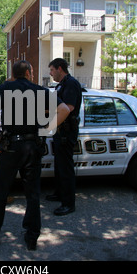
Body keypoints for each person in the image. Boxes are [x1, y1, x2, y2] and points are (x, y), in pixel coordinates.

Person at [0, 60, 70, 251]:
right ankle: (31, 237)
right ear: (29, 72)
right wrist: (47, 130)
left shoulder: (4, 89)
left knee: (0, 192)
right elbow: (64, 110)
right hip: (32, 146)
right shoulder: (40, 90)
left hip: (10, 146)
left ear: (14, 74)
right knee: (33, 194)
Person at [47, 58, 82, 216]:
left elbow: (68, 108)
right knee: (59, 165)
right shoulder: (62, 84)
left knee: (66, 168)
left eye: (52, 70)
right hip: (60, 131)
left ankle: (68, 204)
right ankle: (60, 193)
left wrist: (47, 115)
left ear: (60, 68)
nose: (50, 73)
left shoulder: (71, 84)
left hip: (67, 132)